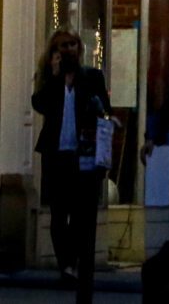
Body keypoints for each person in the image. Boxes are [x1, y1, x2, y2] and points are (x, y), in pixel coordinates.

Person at [32, 31, 108, 286]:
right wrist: (54, 77)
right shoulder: (49, 80)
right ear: (54, 51)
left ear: (80, 48)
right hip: (56, 155)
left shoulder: (92, 77)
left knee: (78, 214)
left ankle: (73, 263)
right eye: (63, 46)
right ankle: (65, 263)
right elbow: (40, 105)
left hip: (81, 154)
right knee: (57, 213)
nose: (69, 50)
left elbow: (104, 108)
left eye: (73, 44)